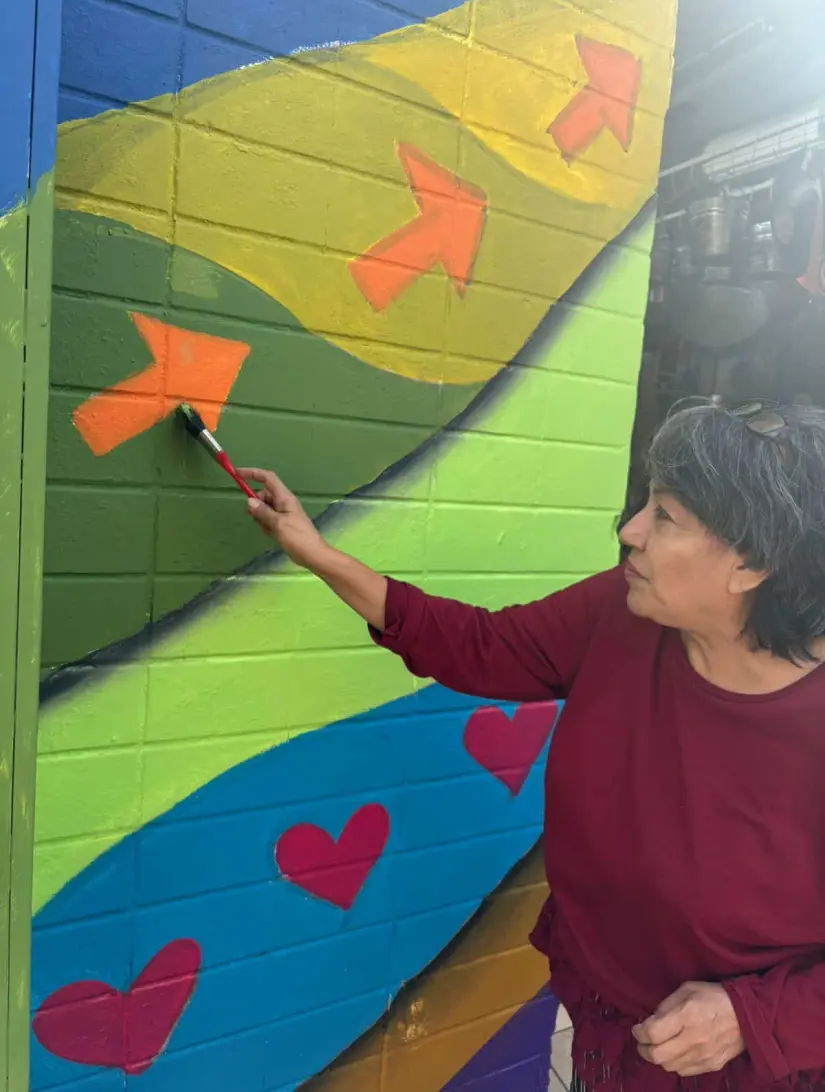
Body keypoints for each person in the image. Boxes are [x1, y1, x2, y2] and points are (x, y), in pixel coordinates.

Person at [239, 399, 825, 1092]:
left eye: (665, 516)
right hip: (608, 1025)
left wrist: (749, 1016)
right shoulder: (623, 612)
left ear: (751, 564)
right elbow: (486, 648)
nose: (628, 530)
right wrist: (319, 554)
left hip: (751, 1065)